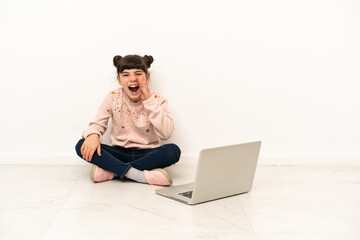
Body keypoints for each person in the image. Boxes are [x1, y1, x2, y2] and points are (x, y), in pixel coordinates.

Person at [75, 54, 181, 186]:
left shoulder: (157, 99)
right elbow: (97, 124)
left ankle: (113, 172)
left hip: (147, 154)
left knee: (173, 151)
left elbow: (166, 133)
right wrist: (92, 135)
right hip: (119, 152)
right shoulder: (113, 97)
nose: (132, 79)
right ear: (119, 79)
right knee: (81, 144)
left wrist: (148, 100)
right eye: (126, 75)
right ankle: (139, 175)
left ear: (147, 77)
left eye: (138, 73)